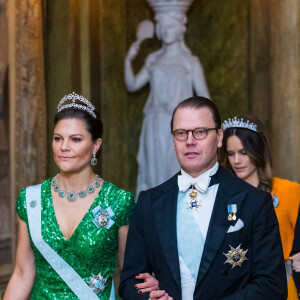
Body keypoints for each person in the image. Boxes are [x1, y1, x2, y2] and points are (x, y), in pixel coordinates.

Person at [119, 96, 287, 300]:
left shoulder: (254, 201)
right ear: (173, 140)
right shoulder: (149, 202)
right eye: (181, 133)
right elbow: (129, 282)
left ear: (218, 137)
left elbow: (272, 285)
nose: (190, 141)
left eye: (200, 132)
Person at [4, 92, 157, 299]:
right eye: (58, 138)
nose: (64, 147)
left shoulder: (119, 201)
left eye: (75, 139)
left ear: (96, 145)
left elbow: (133, 276)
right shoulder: (31, 200)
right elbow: (23, 274)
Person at [125, 11, 210, 196]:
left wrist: (207, 132)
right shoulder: (153, 60)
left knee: (177, 169)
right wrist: (128, 60)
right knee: (153, 172)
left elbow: (205, 100)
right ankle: (153, 216)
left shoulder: (190, 62)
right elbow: (132, 85)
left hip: (182, 127)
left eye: (170, 26)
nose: (165, 31)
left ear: (180, 29)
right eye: (162, 27)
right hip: (154, 124)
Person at [220, 115, 300, 300]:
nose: (236, 160)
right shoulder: (221, 197)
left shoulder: (289, 191)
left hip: (280, 289)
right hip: (234, 291)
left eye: (243, 152)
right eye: (231, 154)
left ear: (258, 150)